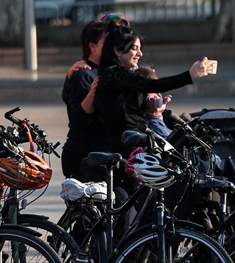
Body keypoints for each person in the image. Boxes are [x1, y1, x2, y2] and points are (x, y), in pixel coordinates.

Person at [95, 25, 215, 152]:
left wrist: (179, 121)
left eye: (140, 49)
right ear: (117, 50)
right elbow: (153, 85)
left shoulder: (122, 74)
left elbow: (150, 107)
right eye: (135, 48)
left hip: (140, 141)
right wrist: (190, 75)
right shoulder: (113, 74)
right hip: (128, 147)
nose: (140, 54)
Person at [60, 21, 110, 180]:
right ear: (92, 46)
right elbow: (79, 118)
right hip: (85, 156)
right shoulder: (83, 74)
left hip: (103, 154)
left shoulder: (108, 72)